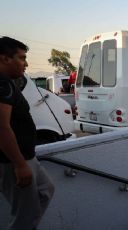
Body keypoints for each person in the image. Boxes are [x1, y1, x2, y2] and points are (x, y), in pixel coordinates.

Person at [0, 36, 55, 229]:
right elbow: (2, 128)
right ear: (5, 58)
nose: (26, 64)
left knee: (45, 190)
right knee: (24, 215)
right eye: (22, 58)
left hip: (26, 158)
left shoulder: (8, 83)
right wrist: (20, 165)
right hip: (14, 162)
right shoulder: (2, 85)